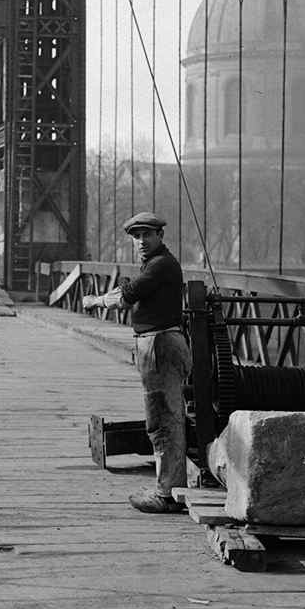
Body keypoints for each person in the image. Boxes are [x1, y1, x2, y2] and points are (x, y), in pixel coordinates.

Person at [84, 212, 191, 513]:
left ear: (160, 236)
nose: (142, 241)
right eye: (136, 236)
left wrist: (95, 301)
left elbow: (128, 295)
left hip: (160, 345)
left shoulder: (161, 265)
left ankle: (167, 495)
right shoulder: (158, 263)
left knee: (163, 420)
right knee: (165, 417)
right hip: (158, 345)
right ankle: (170, 487)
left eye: (147, 235)